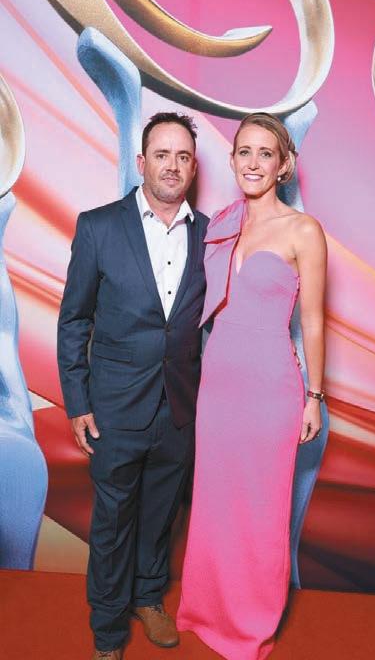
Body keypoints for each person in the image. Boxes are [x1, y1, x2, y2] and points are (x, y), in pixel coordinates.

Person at [57, 112, 209, 660]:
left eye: (183, 156)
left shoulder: (210, 233)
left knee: (161, 513)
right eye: (162, 155)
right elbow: (74, 320)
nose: (172, 165)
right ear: (142, 162)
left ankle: (148, 597)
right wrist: (77, 401)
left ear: (193, 168)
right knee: (113, 520)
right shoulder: (98, 226)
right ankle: (107, 629)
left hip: (179, 407)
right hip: (115, 407)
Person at [177, 112, 327, 659]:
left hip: (270, 389)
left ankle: (250, 625)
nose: (254, 163)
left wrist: (314, 397)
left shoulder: (303, 230)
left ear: (284, 164)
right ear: (233, 159)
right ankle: (206, 609)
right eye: (245, 151)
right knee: (215, 503)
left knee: (261, 510)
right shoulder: (221, 222)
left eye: (266, 153)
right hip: (218, 384)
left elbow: (313, 321)